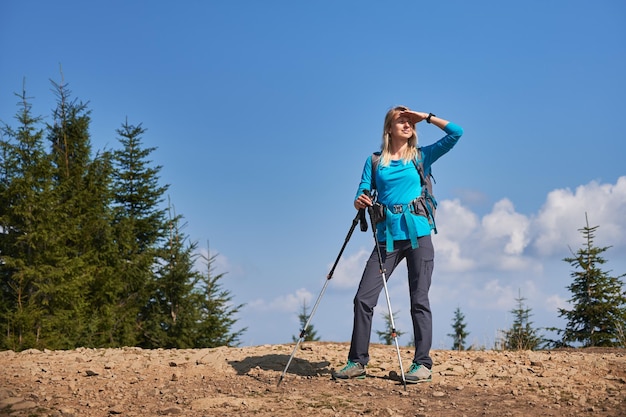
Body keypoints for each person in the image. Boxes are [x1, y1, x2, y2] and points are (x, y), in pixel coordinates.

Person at [331, 106, 463, 383]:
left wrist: (424, 116)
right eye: (401, 121)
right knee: (363, 298)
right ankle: (357, 362)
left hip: (418, 235)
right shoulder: (375, 160)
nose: (407, 124)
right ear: (388, 128)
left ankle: (422, 364)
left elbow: (456, 133)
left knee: (419, 299)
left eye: (409, 122)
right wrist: (360, 199)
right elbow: (363, 188)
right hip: (386, 238)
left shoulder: (422, 156)